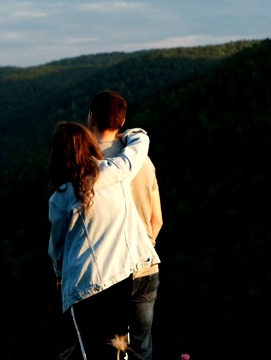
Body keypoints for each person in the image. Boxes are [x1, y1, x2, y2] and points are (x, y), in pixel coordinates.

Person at [48, 121, 160, 360]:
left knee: (94, 353)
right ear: (90, 144)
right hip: (119, 277)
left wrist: (60, 274)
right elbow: (140, 145)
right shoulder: (115, 171)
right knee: (120, 351)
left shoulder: (61, 196)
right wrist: (130, 132)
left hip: (83, 287)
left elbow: (57, 249)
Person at [88, 90, 163, 360]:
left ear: (91, 118)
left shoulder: (87, 163)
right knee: (142, 347)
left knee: (111, 349)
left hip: (109, 270)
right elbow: (157, 219)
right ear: (122, 122)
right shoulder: (144, 160)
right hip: (146, 266)